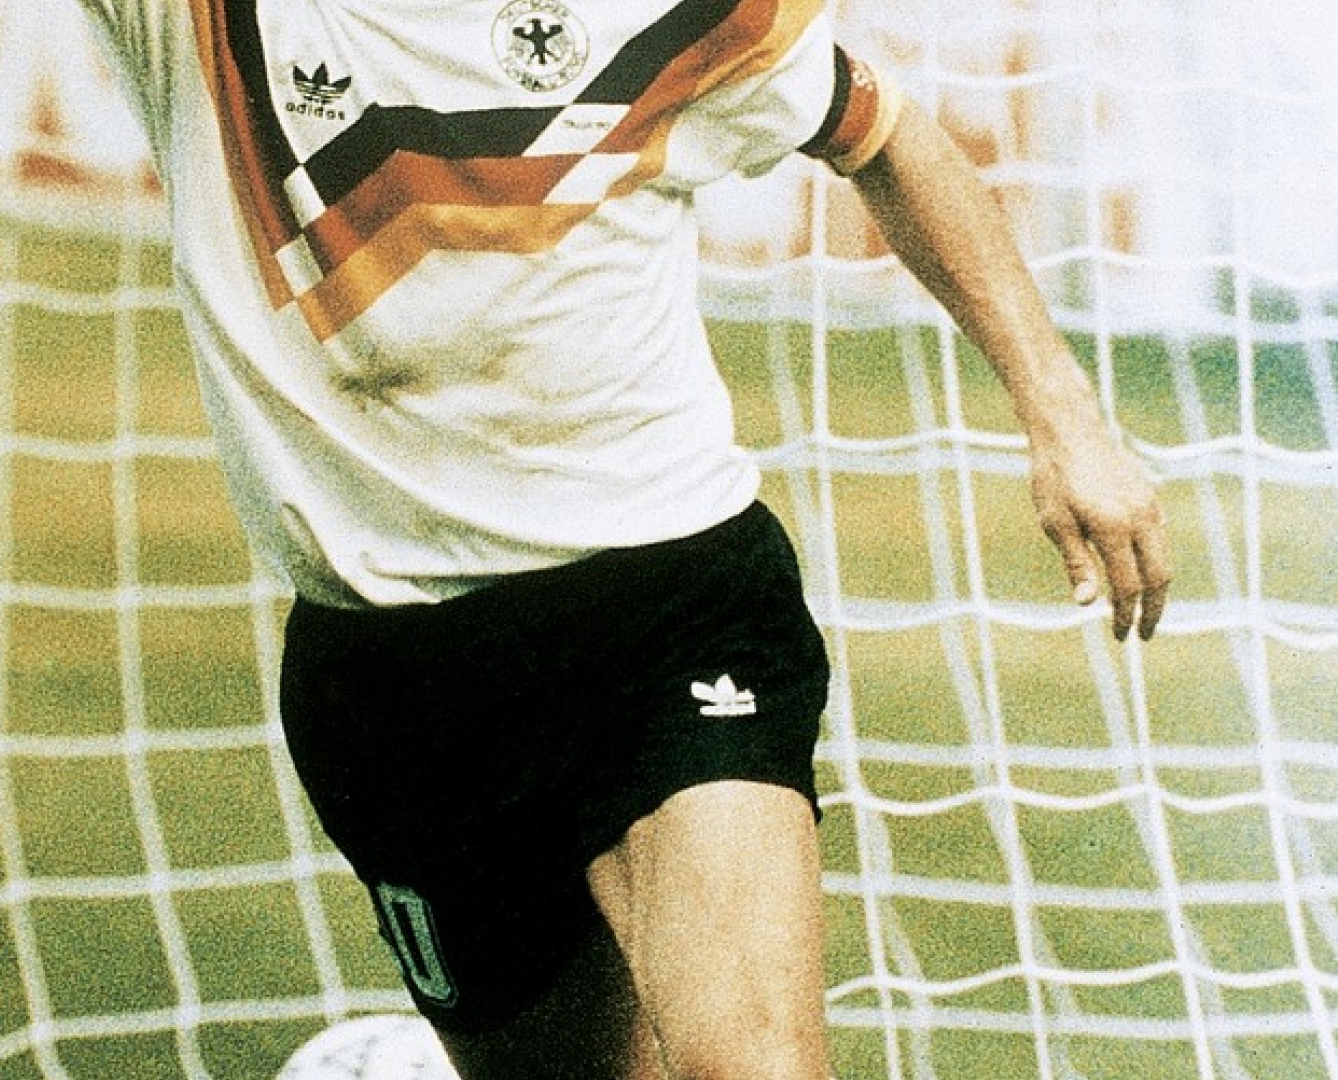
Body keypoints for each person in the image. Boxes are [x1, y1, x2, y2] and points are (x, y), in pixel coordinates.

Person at [71, 0, 1172, 1076]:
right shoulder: (210, 24)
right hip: (391, 674)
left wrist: (1065, 419)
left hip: (666, 610)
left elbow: (882, 136)